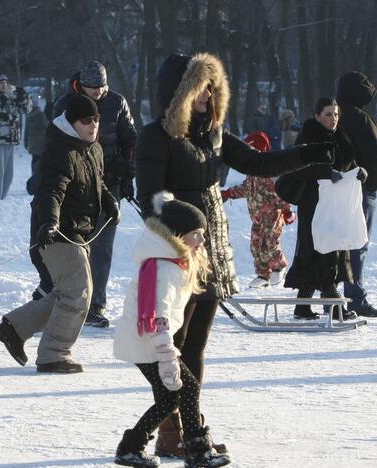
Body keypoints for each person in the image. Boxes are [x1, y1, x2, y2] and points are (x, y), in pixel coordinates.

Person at [135, 53, 333, 456]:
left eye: (211, 86)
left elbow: (257, 162)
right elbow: (151, 200)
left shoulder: (213, 133)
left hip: (211, 251)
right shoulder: (156, 137)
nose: (208, 93)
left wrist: (306, 153)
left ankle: (186, 432)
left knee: (196, 346)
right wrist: (186, 224)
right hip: (175, 250)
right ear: (179, 92)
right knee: (173, 343)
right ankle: (175, 431)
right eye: (199, 85)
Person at [0, 95, 119, 374]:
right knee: (79, 292)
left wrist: (108, 200)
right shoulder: (59, 151)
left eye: (96, 120)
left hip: (78, 233)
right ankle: (53, 354)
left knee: (68, 292)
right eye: (86, 121)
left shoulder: (91, 148)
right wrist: (49, 223)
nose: (93, 125)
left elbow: (96, 181)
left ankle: (14, 327)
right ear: (72, 123)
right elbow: (50, 192)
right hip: (56, 233)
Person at [112, 192, 230, 468]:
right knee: (185, 390)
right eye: (196, 234)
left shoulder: (171, 261)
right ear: (178, 234)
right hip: (149, 342)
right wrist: (167, 355)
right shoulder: (163, 268)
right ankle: (197, 451)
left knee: (171, 397)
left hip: (148, 341)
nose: (202, 240)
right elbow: (157, 315)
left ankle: (132, 448)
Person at [52, 60, 138, 327]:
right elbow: (58, 143)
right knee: (76, 246)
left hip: (109, 185)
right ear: (81, 85)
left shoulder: (117, 102)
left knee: (102, 247)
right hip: (78, 185)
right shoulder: (65, 105)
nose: (99, 93)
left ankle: (95, 305)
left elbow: (130, 138)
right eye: (93, 89)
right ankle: (66, 299)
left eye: (102, 87)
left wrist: (127, 172)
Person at [283, 98, 363, 321]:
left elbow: (348, 162)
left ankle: (302, 306)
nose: (333, 119)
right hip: (314, 204)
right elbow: (298, 168)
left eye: (336, 114)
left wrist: (358, 171)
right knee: (320, 249)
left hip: (335, 204)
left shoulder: (339, 136)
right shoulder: (309, 136)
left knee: (330, 248)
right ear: (317, 116)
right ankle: (336, 306)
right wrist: (325, 172)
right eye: (328, 114)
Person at [221, 131, 294, 288]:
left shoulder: (270, 171)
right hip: (258, 217)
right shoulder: (252, 173)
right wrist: (228, 193)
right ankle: (263, 275)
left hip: (273, 215)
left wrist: (287, 211)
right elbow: (246, 188)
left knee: (270, 242)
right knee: (256, 244)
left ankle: (279, 266)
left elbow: (280, 193)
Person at [337, 72, 377, 317]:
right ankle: (356, 297)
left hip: (345, 186)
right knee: (358, 243)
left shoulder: (338, 115)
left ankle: (344, 293)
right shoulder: (359, 118)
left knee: (345, 243)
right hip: (364, 186)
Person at [0, 74, 30, 199]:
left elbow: (27, 110)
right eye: (0, 82)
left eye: (5, 82)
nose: (4, 84)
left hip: (11, 139)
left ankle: (2, 199)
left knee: (9, 174)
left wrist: (24, 97)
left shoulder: (11, 97)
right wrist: (7, 98)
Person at [24, 96, 48, 196]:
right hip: (42, 143)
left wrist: (26, 142)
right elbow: (45, 126)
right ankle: (38, 182)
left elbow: (26, 130)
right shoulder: (41, 114)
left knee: (34, 161)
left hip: (33, 143)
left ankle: (33, 179)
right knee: (41, 163)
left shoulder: (28, 115)